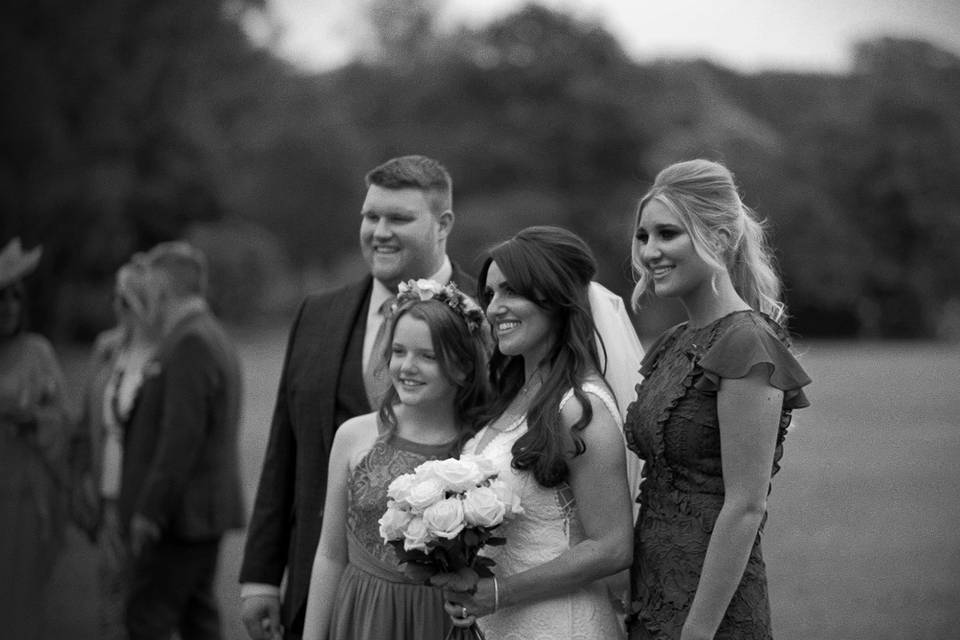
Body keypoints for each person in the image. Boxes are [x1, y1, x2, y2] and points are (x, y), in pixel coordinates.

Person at [240, 154, 476, 640]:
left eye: (399, 218)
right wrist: (261, 576)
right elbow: (284, 446)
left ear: (443, 224)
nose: (379, 231)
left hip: (438, 606)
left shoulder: (487, 316)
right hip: (318, 581)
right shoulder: (318, 314)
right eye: (371, 216)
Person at [624, 159, 812, 640]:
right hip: (651, 590)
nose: (650, 251)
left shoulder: (747, 342)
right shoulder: (673, 342)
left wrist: (698, 631)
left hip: (711, 611)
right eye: (644, 236)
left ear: (722, 238)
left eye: (668, 233)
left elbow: (745, 505)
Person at [444, 226, 634, 639]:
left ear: (556, 298)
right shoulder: (512, 394)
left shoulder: (581, 410)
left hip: (561, 625)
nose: (495, 308)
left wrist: (499, 592)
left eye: (512, 291)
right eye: (490, 294)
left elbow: (613, 546)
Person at [301, 280, 492, 640]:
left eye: (428, 356)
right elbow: (329, 554)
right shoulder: (354, 436)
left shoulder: (480, 447)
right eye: (399, 351)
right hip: (364, 612)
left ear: (464, 368)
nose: (407, 366)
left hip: (440, 621)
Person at [119, 241, 245, 640]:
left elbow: (180, 439)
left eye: (150, 285)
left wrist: (149, 512)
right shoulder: (211, 334)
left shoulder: (189, 342)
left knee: (146, 620)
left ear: (162, 286)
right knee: (198, 619)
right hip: (199, 512)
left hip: (180, 518)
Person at [71, 257, 162, 640]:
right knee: (110, 595)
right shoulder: (107, 349)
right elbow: (85, 422)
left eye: (123, 299)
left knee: (148, 599)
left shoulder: (165, 351)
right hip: (109, 494)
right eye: (115, 298)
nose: (116, 307)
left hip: (147, 497)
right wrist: (82, 480)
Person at [0, 237, 72, 640]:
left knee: (21, 597)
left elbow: (63, 419)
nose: (8, 307)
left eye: (15, 299)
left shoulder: (36, 352)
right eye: (1, 299)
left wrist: (33, 420)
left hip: (23, 496)